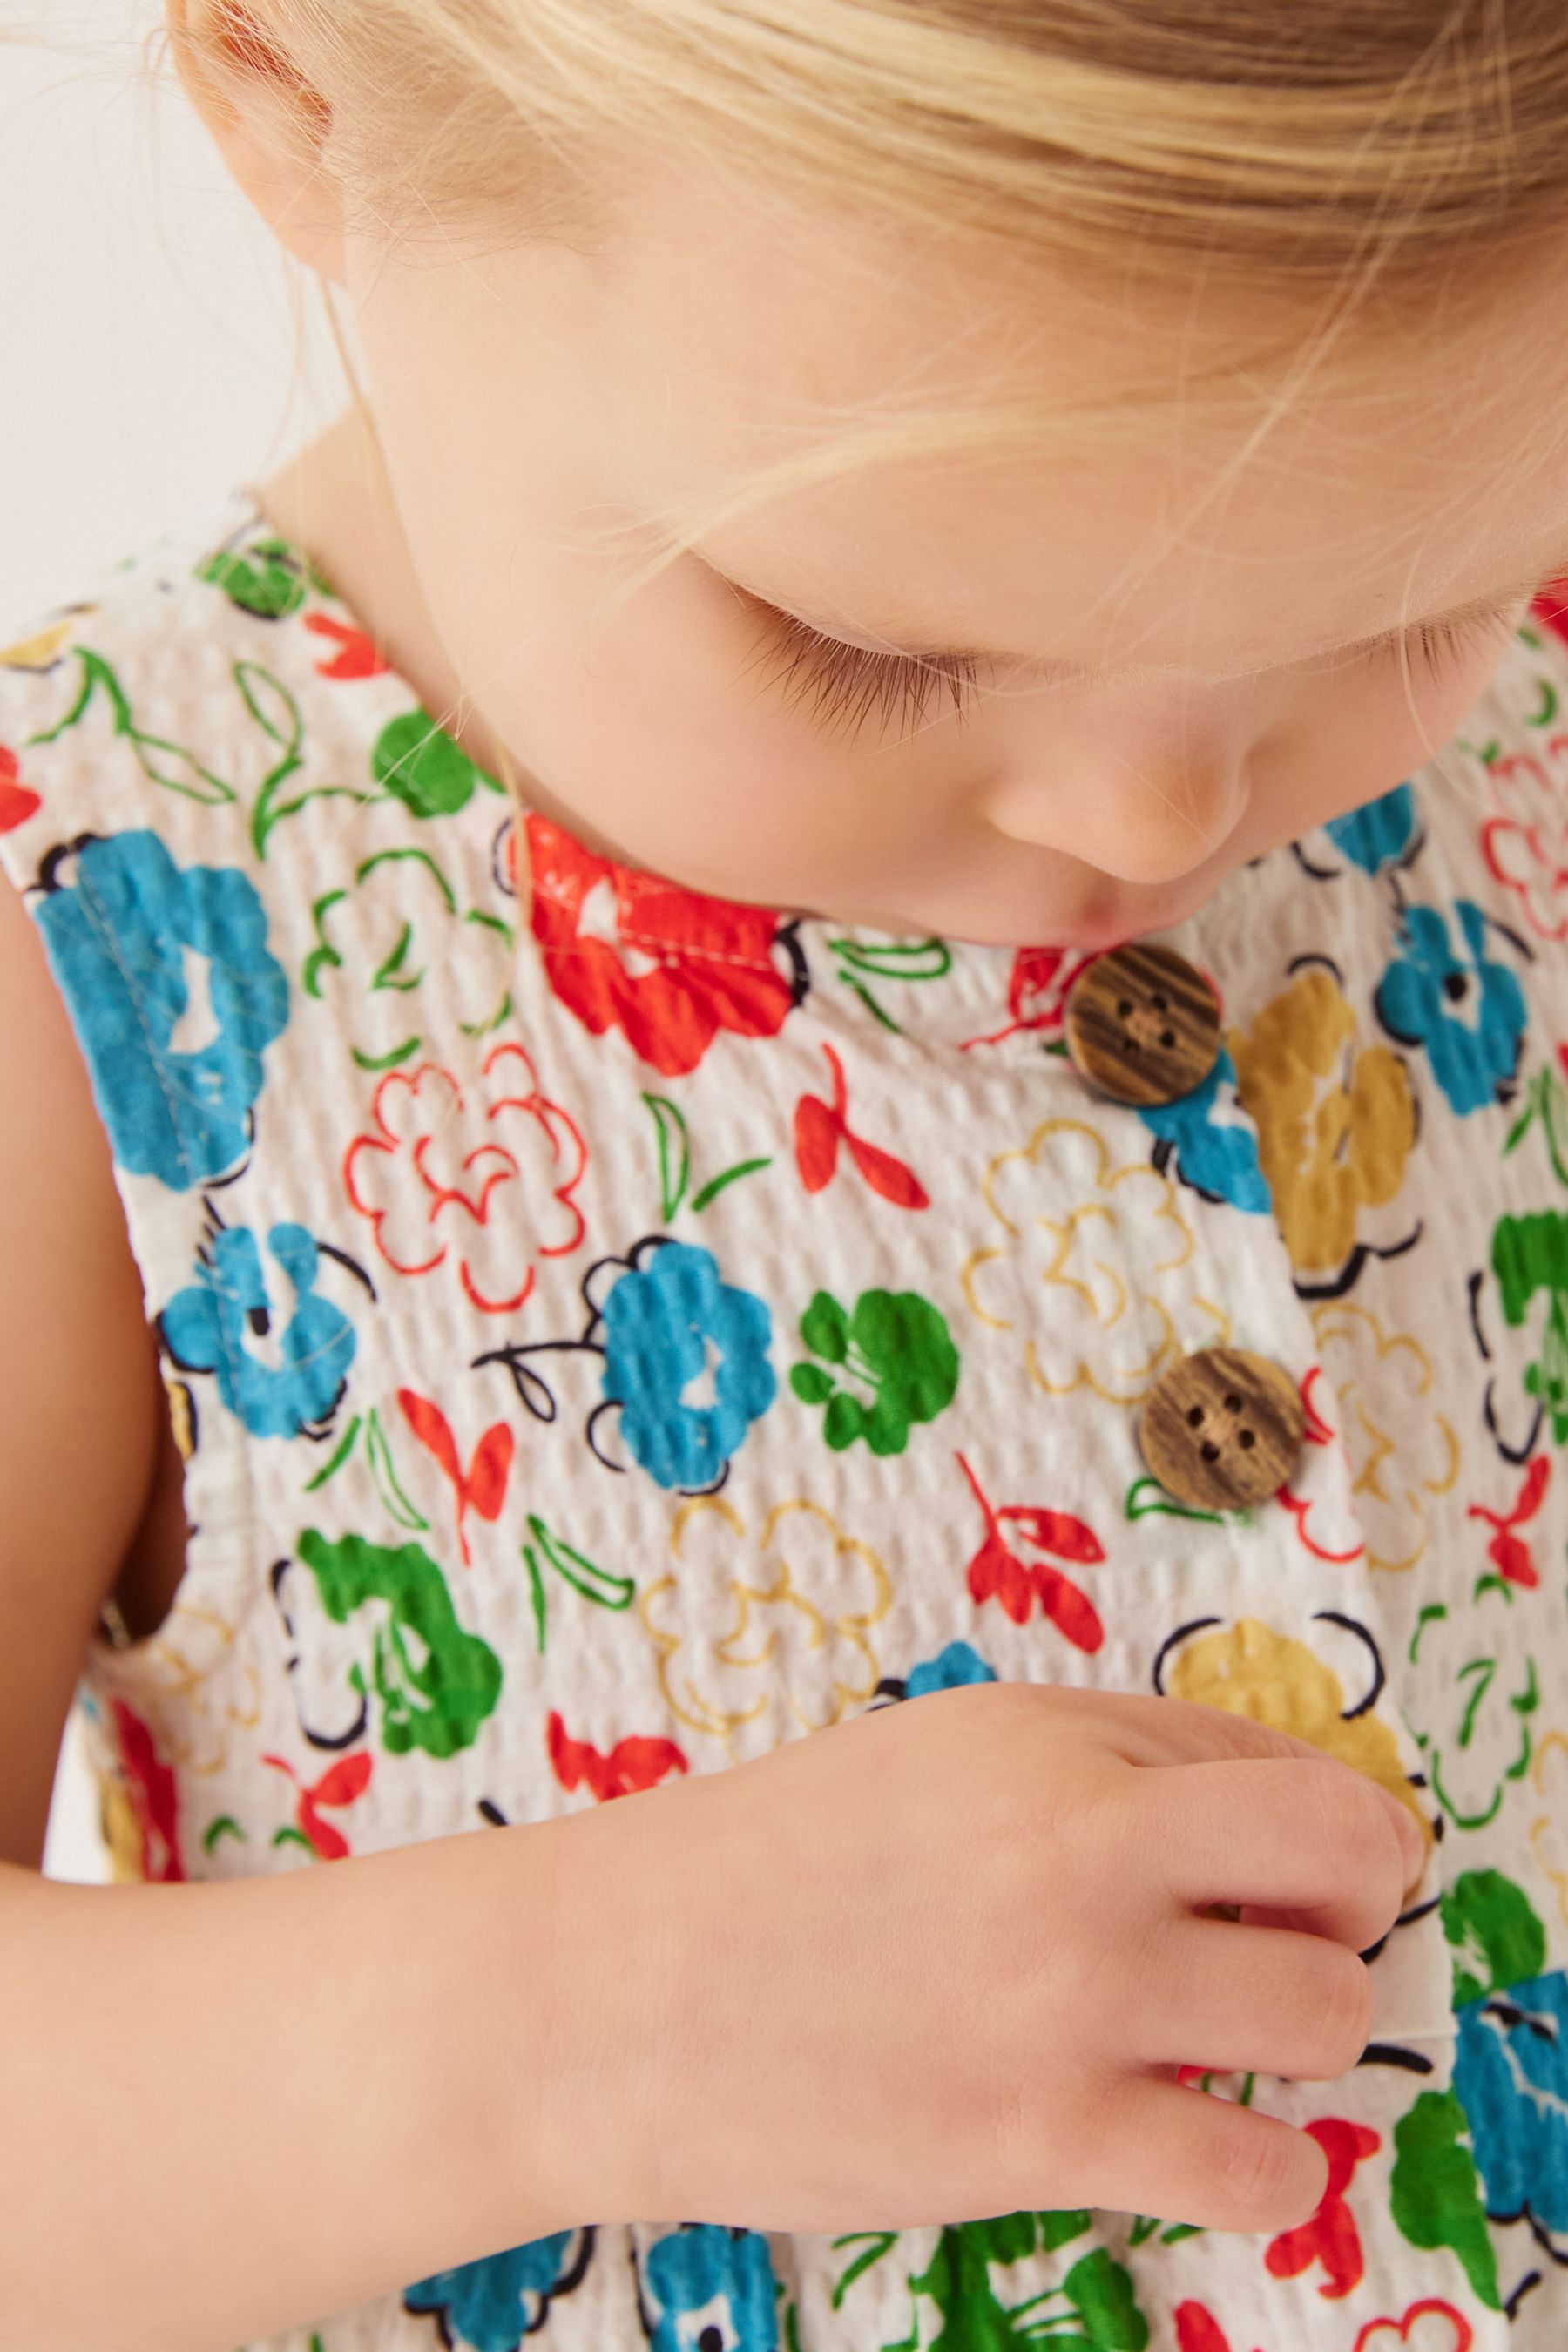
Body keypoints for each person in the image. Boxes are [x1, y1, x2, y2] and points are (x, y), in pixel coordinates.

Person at [3, 1, 1567, 2346]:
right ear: (301, 98)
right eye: (863, 638)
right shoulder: (108, 933)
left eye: (1397, 604)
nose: (1155, 818)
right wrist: (566, 2020)